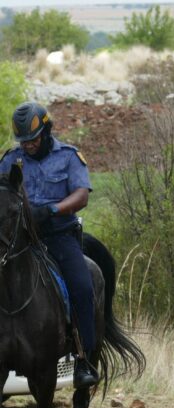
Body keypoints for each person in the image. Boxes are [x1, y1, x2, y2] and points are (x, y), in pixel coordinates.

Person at [0, 101, 99, 389]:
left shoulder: (68, 156)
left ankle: (83, 358)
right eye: (24, 142)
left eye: (33, 140)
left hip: (58, 236)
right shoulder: (10, 160)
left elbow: (82, 195)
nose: (28, 146)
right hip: (18, 239)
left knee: (82, 285)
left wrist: (54, 209)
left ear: (46, 131)